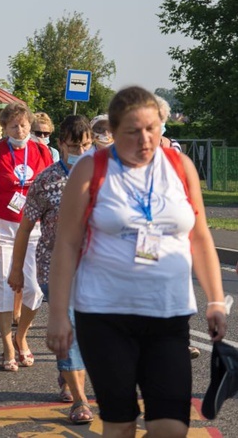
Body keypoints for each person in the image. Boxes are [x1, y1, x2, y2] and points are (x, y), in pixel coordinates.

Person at [46, 86, 228, 437]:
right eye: (133, 131)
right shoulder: (91, 170)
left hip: (168, 315)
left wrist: (216, 300)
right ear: (113, 132)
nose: (145, 139)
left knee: (171, 427)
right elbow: (66, 245)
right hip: (105, 316)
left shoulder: (180, 166)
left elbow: (200, 236)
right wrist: (57, 315)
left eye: (152, 128)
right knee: (120, 424)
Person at [8, 115, 94, 424]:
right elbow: (25, 228)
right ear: (60, 144)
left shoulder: (104, 176)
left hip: (97, 268)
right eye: (74, 145)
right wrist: (17, 269)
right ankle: (80, 400)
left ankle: (66, 371)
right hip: (54, 267)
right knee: (69, 327)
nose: (80, 150)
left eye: (86, 145)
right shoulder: (45, 181)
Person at [0, 102, 53, 371]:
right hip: (2, 228)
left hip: (33, 230)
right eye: (13, 125)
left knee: (33, 289)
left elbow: (49, 192)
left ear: (29, 125)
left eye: (23, 124)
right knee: (2, 287)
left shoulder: (42, 152)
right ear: (4, 127)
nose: (19, 129)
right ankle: (8, 344)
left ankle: (22, 335)